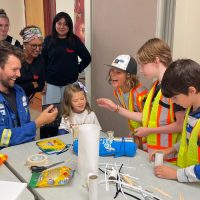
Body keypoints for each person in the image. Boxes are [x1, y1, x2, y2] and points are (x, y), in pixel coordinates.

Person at [97, 38, 185, 162]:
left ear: (156, 61)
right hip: (154, 153)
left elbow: (181, 125)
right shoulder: (155, 87)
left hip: (170, 157)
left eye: (143, 65)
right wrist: (115, 108)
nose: (141, 70)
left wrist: (149, 131)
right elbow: (145, 117)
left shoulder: (174, 87)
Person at [149, 59, 200, 182]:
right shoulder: (190, 109)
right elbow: (189, 142)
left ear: (191, 91)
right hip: (189, 182)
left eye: (175, 97)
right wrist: (169, 150)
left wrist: (177, 174)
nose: (173, 102)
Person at [0, 41, 58, 147]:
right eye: (14, 69)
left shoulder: (19, 92)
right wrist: (37, 123)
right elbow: (2, 139)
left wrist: (42, 119)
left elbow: (25, 125)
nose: (19, 74)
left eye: (19, 69)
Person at [42, 12, 91, 104]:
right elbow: (43, 62)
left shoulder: (74, 40)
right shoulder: (48, 40)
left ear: (69, 26)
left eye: (65, 24)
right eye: (59, 23)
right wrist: (43, 82)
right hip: (52, 83)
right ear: (54, 24)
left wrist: (77, 69)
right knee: (53, 112)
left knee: (70, 111)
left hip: (70, 83)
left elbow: (87, 58)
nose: (62, 27)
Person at [106, 54, 148, 149]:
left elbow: (148, 119)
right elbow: (131, 115)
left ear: (129, 76)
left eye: (118, 72)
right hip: (136, 133)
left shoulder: (140, 94)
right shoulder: (118, 91)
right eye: (112, 70)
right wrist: (134, 135)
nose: (113, 74)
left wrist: (140, 140)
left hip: (147, 136)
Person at [15, 26, 45, 100]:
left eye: (40, 45)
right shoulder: (14, 57)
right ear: (25, 44)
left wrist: (23, 86)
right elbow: (10, 88)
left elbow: (40, 86)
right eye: (34, 45)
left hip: (28, 99)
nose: (38, 49)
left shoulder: (40, 59)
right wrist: (31, 86)